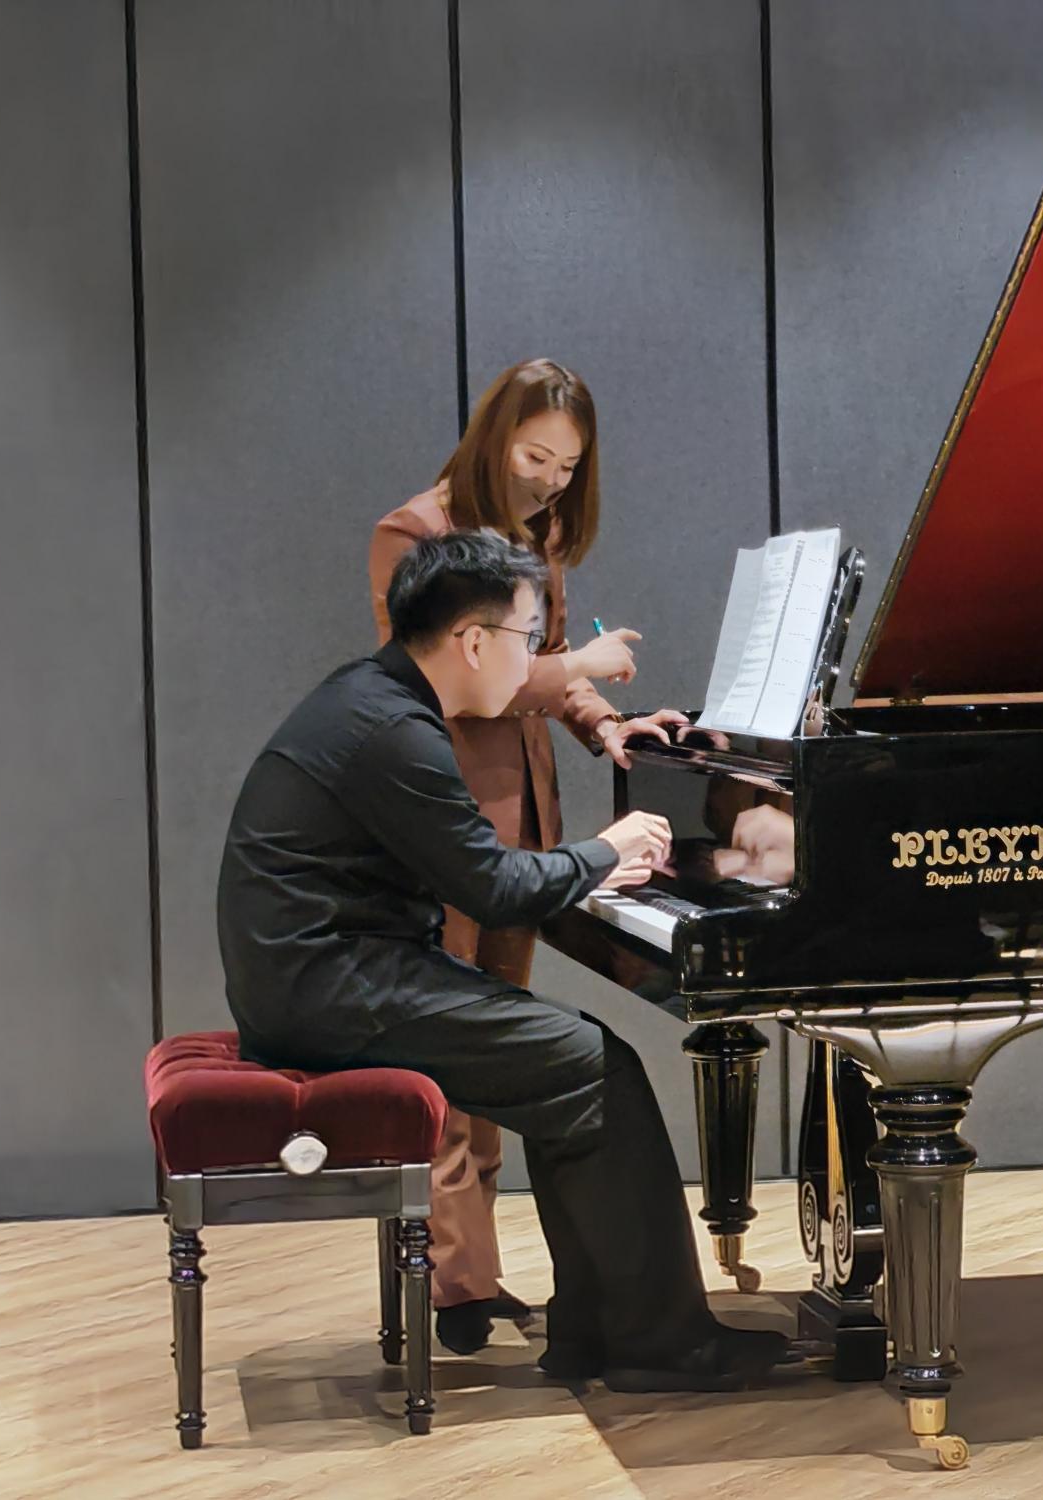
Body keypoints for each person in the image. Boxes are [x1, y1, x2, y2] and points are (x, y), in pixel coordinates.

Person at [218, 528, 787, 1391]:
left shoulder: (374, 700)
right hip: (328, 989)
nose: (533, 664)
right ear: (474, 641)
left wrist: (588, 865)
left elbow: (482, 875)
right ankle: (660, 1345)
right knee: (594, 1067)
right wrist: (606, 851)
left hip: (317, 974)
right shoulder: (393, 731)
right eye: (528, 637)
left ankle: (598, 1335)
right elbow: (493, 888)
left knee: (576, 1072)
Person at [367, 358, 689, 1355]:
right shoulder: (411, 533)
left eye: (567, 465)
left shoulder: (533, 538)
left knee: (497, 1055)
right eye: (535, 455)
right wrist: (580, 665)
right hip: (445, 827)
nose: (550, 480)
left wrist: (608, 725)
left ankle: (473, 1275)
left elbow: (542, 674)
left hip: (524, 828)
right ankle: (454, 1284)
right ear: (494, 435)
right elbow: (453, 681)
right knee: (445, 1055)